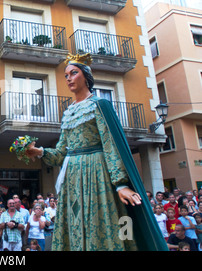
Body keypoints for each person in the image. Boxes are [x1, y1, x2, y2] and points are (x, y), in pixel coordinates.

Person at [25, 53, 167, 251]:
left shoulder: (100, 105)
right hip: (72, 176)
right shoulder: (68, 112)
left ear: (86, 76)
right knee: (74, 223)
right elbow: (61, 152)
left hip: (96, 172)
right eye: (66, 75)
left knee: (97, 223)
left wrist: (120, 184)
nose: (68, 78)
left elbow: (111, 145)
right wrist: (39, 151)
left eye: (73, 73)